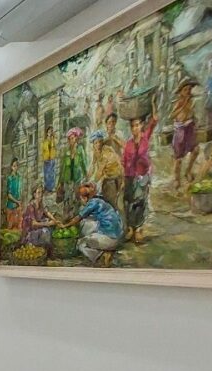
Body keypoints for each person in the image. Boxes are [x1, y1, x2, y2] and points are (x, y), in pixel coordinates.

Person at [57, 183, 124, 266]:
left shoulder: (92, 203)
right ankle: (105, 252)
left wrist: (65, 226)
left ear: (84, 198)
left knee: (80, 244)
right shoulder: (100, 200)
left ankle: (100, 256)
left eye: (80, 198)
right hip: (118, 237)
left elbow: (78, 218)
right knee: (91, 227)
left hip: (110, 239)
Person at [122, 99, 157, 243]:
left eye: (137, 125)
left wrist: (153, 103)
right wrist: (124, 178)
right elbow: (124, 161)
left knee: (140, 201)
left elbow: (154, 120)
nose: (135, 128)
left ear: (142, 125)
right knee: (129, 202)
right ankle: (130, 227)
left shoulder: (145, 137)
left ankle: (138, 229)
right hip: (130, 176)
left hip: (142, 175)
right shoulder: (128, 144)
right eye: (133, 126)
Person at [170, 78, 199, 189]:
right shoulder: (178, 102)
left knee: (195, 150)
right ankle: (176, 179)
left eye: (189, 89)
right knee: (178, 158)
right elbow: (172, 116)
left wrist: (195, 120)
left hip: (190, 128)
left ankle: (188, 171)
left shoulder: (191, 101)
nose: (188, 91)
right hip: (180, 131)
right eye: (185, 89)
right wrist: (182, 106)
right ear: (181, 91)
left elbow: (192, 113)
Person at [90, 130, 123, 211]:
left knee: (110, 202)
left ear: (102, 142)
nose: (98, 145)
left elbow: (100, 170)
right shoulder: (96, 152)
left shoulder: (106, 151)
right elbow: (93, 166)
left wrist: (93, 183)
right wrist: (87, 178)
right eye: (96, 143)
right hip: (106, 177)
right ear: (93, 144)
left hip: (113, 177)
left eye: (100, 142)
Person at [58, 127, 88, 217]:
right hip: (67, 178)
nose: (71, 140)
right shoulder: (66, 151)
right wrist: (60, 181)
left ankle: (76, 215)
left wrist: (86, 175)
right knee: (67, 197)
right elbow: (63, 167)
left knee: (76, 196)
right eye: (70, 139)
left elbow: (84, 163)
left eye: (73, 138)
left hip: (77, 177)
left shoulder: (80, 149)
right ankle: (66, 215)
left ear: (76, 138)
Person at [5, 157, 23, 229]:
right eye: (14, 166)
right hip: (11, 206)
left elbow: (19, 190)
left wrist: (19, 201)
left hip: (18, 206)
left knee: (18, 225)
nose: (16, 167)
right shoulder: (10, 178)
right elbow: (9, 195)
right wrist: (17, 201)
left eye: (17, 166)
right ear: (11, 167)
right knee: (10, 226)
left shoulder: (19, 177)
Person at [41, 126, 58, 192]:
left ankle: (51, 187)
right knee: (46, 173)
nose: (50, 133)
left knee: (51, 173)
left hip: (52, 158)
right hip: (46, 159)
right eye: (49, 132)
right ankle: (46, 187)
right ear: (47, 133)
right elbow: (43, 150)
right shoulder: (45, 140)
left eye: (51, 132)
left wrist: (53, 138)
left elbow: (54, 147)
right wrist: (44, 157)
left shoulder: (53, 140)